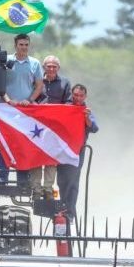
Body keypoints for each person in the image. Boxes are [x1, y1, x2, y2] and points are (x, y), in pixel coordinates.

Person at [0, 33, 44, 186]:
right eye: (21, 44)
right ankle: (2, 177)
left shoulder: (35, 63)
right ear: (15, 45)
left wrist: (29, 100)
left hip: (26, 109)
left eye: (26, 45)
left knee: (23, 143)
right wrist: (9, 100)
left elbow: (39, 86)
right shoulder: (6, 61)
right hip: (7, 108)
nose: (23, 47)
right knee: (5, 142)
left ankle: (22, 179)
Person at [31, 55, 72, 199]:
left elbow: (69, 103)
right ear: (44, 68)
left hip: (55, 127)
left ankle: (48, 189)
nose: (52, 69)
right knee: (36, 157)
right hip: (37, 126)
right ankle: (36, 190)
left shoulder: (65, 83)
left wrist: (55, 111)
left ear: (58, 68)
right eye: (49, 66)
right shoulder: (36, 81)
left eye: (54, 66)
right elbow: (30, 98)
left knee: (51, 158)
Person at [57, 84, 98, 220]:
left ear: (85, 96)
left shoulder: (86, 111)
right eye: (75, 95)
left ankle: (70, 211)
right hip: (63, 150)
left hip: (77, 151)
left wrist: (86, 118)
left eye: (81, 95)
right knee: (62, 180)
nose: (78, 98)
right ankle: (61, 206)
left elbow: (94, 128)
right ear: (71, 94)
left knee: (73, 181)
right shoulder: (65, 108)